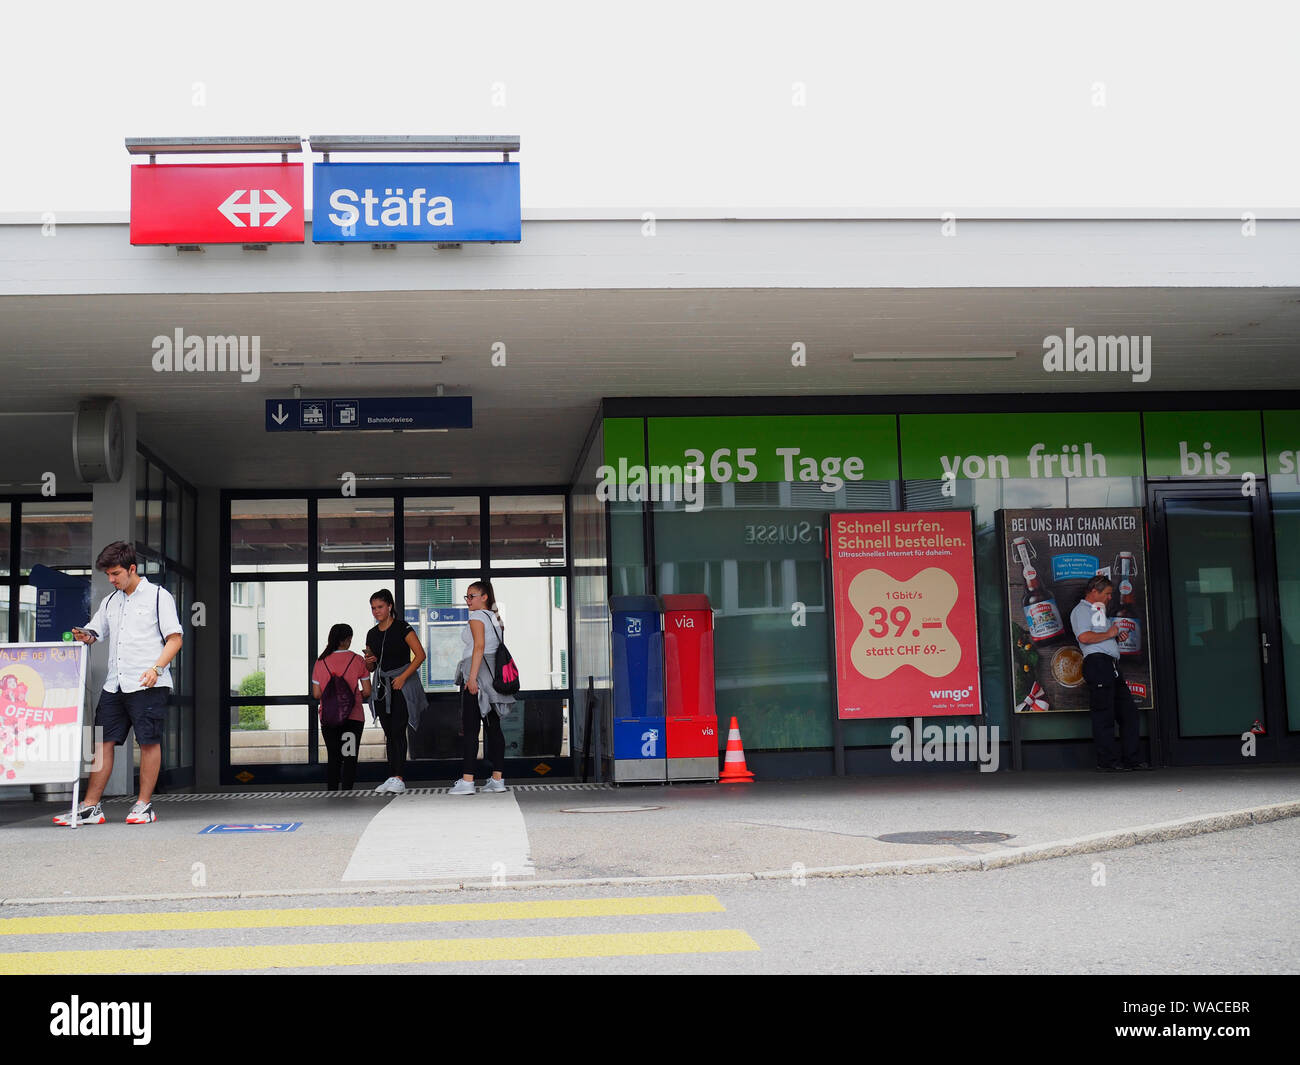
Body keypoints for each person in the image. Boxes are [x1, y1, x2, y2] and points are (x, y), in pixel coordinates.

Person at [55, 541, 183, 826]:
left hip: (148, 682)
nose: (111, 580)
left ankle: (143, 805)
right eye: (108, 575)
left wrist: (157, 668)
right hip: (115, 684)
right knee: (101, 742)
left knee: (148, 742)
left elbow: (175, 638)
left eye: (115, 574)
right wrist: (85, 635)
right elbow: (96, 631)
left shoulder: (159, 596)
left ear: (132, 569)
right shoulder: (111, 601)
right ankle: (90, 807)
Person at [1071, 575, 1150, 772]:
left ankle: (1132, 759)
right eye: (1106, 594)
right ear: (1094, 591)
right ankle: (1107, 761)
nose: (1109, 598)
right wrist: (1110, 634)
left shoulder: (1099, 612)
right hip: (1097, 664)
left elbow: (1102, 636)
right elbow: (1084, 637)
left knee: (1128, 713)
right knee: (1104, 714)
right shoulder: (1081, 611)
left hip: (1111, 665)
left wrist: (1115, 637)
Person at [451, 580, 515, 795]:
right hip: (492, 680)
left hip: (478, 677)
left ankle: (467, 781)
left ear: (484, 597)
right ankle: (497, 779)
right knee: (493, 728)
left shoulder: (477, 616)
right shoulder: (495, 617)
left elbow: (478, 647)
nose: (468, 601)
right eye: (467, 597)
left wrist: (471, 678)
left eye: (472, 596)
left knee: (470, 728)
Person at [362, 589, 426, 794]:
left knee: (398, 730)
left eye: (380, 607)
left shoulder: (402, 628)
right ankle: (392, 776)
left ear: (390, 607)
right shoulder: (372, 634)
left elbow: (420, 655)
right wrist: (369, 662)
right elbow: (371, 667)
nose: (376, 611)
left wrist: (403, 677)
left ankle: (399, 777)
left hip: (402, 685)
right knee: (389, 732)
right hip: (382, 686)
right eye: (373, 608)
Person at [311, 623, 372, 791]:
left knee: (334, 757)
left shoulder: (320, 662)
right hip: (353, 719)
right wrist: (352, 696)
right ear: (347, 640)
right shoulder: (357, 660)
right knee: (349, 756)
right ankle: (347, 792)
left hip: (329, 719)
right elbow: (367, 691)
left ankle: (332, 791)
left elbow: (317, 694)